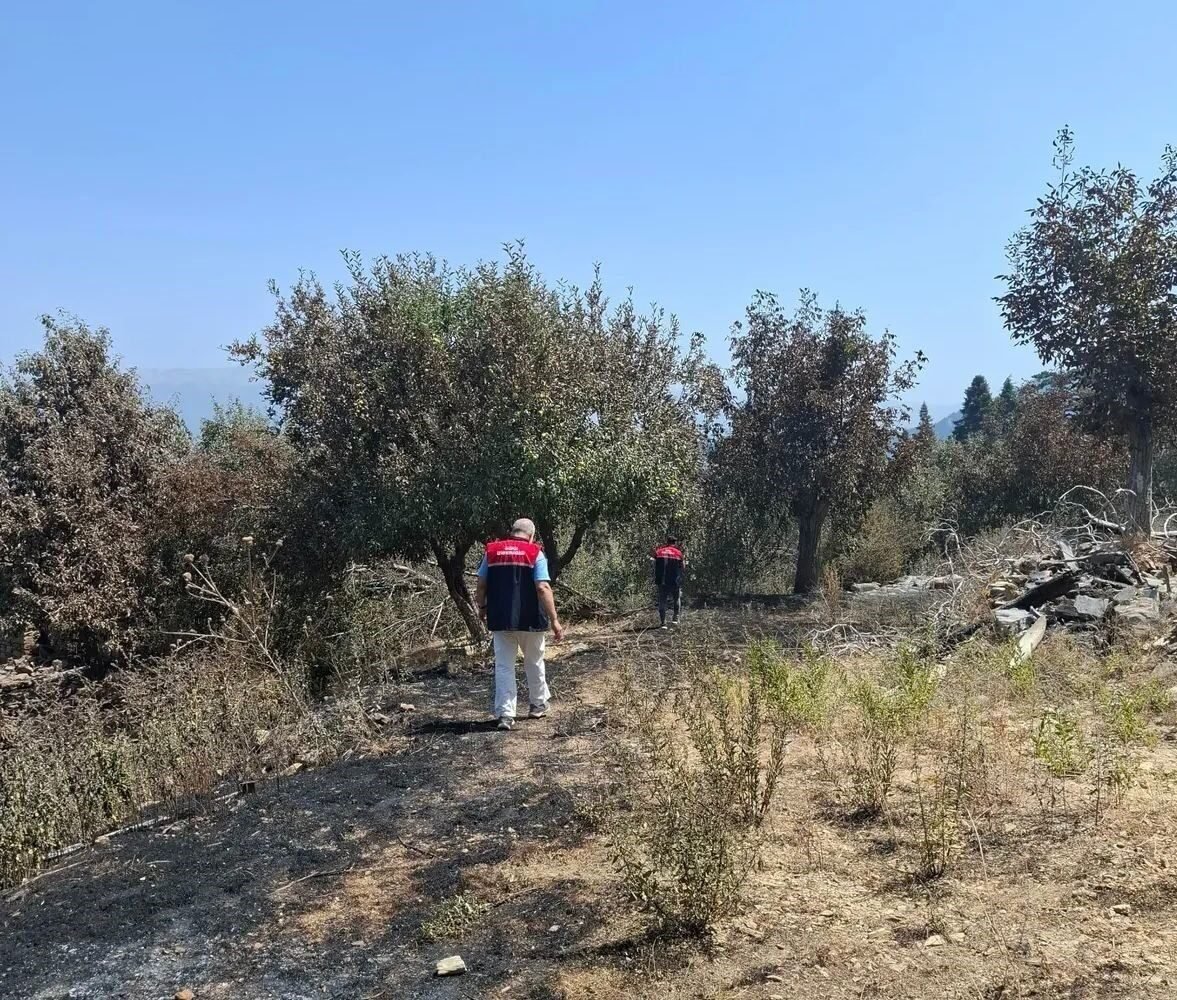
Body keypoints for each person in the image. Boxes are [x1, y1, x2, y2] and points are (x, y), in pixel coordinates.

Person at [474, 517, 565, 731]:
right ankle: (537, 705)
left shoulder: (492, 552)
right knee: (534, 662)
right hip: (531, 619)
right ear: (531, 536)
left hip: (501, 619)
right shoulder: (535, 553)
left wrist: (482, 607)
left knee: (504, 666)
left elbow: (481, 584)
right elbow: (542, 587)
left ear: (512, 531)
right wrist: (554, 620)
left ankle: (505, 715)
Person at [651, 535, 685, 629]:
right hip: (675, 580)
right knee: (676, 598)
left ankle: (663, 623)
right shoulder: (678, 553)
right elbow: (683, 567)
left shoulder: (659, 551)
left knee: (662, 600)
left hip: (662, 580)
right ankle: (675, 619)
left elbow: (653, 558)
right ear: (675, 543)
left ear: (667, 542)